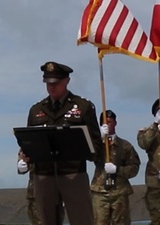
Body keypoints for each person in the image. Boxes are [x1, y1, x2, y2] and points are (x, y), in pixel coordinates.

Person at [19, 61, 103, 225]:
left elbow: (96, 145)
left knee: (82, 220)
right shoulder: (36, 110)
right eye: (48, 83)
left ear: (66, 81)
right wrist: (23, 158)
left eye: (56, 83)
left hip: (73, 174)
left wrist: (85, 150)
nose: (52, 87)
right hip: (43, 175)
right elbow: (28, 141)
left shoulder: (83, 107)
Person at [91, 110, 141, 225]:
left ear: (115, 123)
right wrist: (99, 140)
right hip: (100, 192)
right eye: (104, 123)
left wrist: (118, 170)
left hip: (119, 193)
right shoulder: (96, 145)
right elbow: (89, 156)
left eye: (110, 122)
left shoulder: (125, 146)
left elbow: (134, 168)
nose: (108, 125)